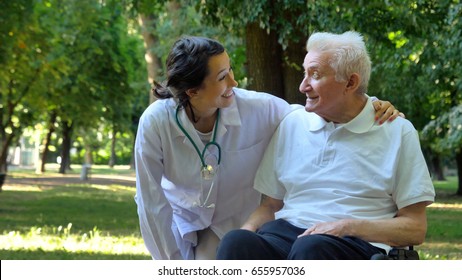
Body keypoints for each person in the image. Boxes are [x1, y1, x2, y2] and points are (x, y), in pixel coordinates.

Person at [134, 36, 401, 260]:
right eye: (223, 77)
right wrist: (170, 264)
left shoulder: (258, 108)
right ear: (192, 91)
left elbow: (314, 113)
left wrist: (369, 105)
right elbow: (151, 204)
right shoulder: (156, 123)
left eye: (231, 70)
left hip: (232, 225)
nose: (234, 83)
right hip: (183, 221)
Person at [216, 31, 436, 260]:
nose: (303, 86)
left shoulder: (397, 131)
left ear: (350, 82)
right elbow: (271, 205)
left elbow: (415, 228)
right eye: (305, 73)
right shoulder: (292, 123)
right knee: (236, 242)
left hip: (355, 244)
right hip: (285, 236)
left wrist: (346, 227)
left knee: (311, 249)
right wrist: (244, 233)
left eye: (315, 75)